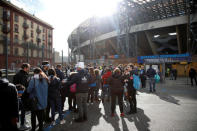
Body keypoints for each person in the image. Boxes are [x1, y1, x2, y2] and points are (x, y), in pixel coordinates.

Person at [13, 63, 31, 130]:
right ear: (25, 68)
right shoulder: (23, 75)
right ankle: (22, 125)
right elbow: (23, 87)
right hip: (23, 95)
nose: (29, 69)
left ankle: (23, 121)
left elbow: (15, 85)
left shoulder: (17, 74)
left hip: (17, 94)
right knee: (23, 110)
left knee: (19, 110)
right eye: (28, 67)